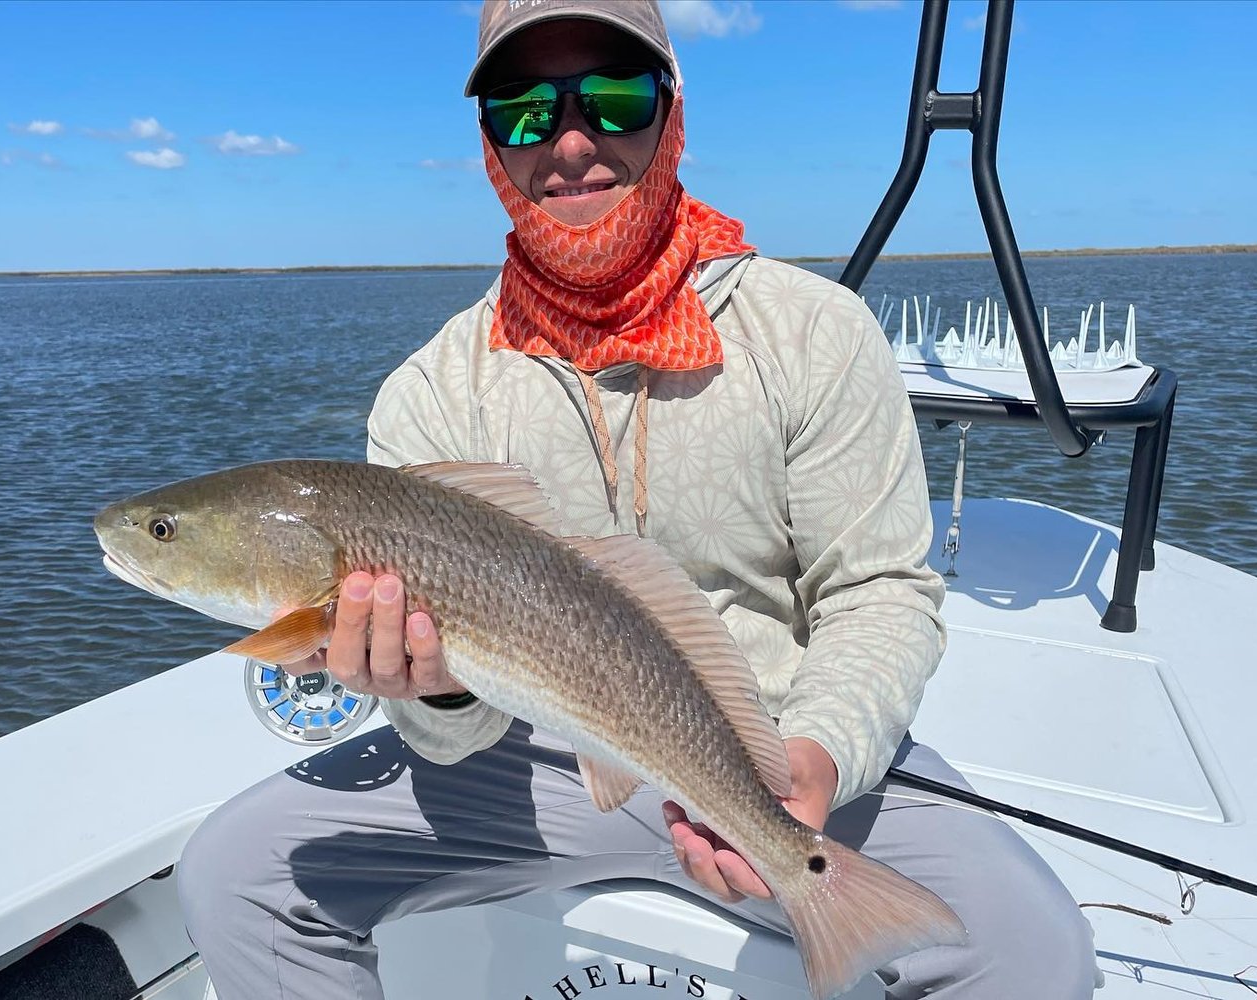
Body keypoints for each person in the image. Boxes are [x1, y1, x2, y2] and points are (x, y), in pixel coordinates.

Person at [178, 2, 1099, 997]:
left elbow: (879, 593)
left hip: (781, 755)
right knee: (236, 873)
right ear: (488, 141)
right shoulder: (433, 390)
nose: (571, 142)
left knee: (1031, 949)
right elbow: (451, 733)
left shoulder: (812, 332)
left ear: (672, 110)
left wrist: (813, 760)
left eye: (612, 97)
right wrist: (433, 688)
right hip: (538, 756)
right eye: (523, 111)